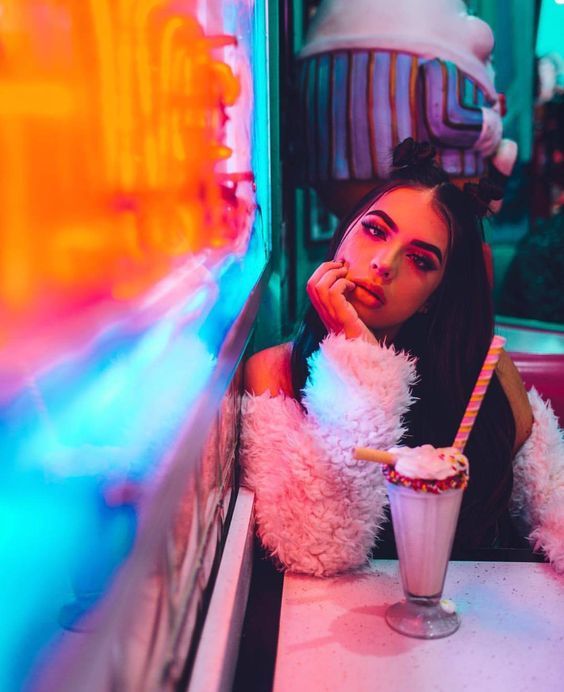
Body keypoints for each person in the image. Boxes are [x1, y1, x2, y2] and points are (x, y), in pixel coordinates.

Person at [241, 138, 564, 577]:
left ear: (434, 296)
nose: (385, 263)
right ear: (345, 234)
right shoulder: (273, 373)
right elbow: (316, 548)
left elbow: (552, 509)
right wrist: (356, 356)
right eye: (375, 231)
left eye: (420, 259)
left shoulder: (486, 374)